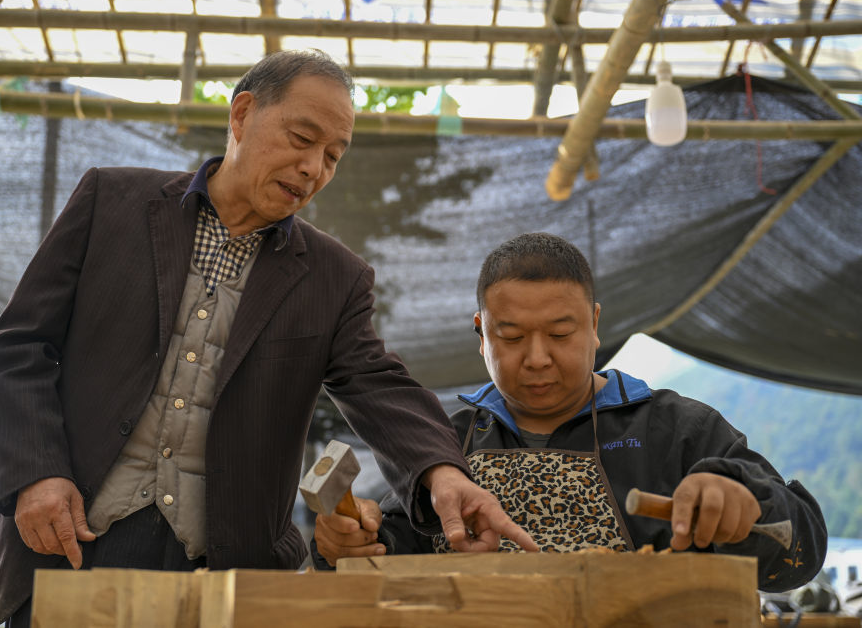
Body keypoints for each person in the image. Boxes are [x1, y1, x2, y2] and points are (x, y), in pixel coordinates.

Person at [0, 50, 536, 627]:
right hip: (66, 550)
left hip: (224, 579)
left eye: (332, 156)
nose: (313, 167)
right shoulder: (110, 202)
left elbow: (378, 386)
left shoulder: (335, 279)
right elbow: (20, 349)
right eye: (301, 138)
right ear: (242, 114)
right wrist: (37, 473)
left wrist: (444, 474)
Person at [312, 232, 827, 592]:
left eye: (561, 334)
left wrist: (745, 500)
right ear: (480, 332)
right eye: (510, 337)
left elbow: (798, 553)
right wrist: (348, 544)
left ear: (596, 322)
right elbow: (386, 562)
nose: (537, 358)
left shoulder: (677, 429)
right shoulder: (446, 444)